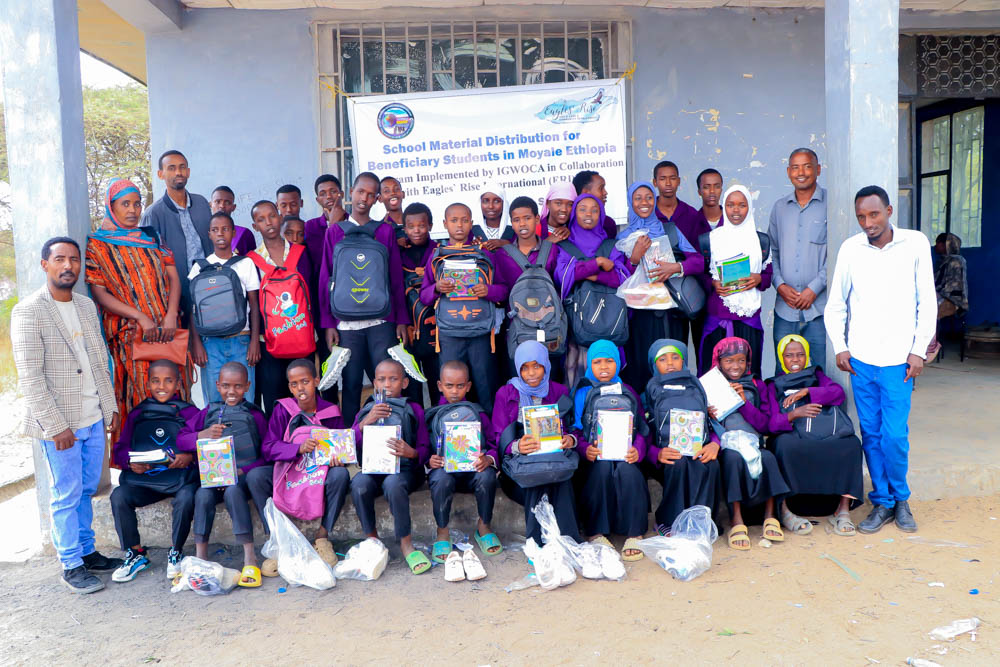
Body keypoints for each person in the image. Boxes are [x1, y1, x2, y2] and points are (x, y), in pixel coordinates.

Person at [12, 237, 122, 594]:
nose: (68, 266)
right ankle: (71, 563)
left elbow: (97, 361)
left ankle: (88, 552)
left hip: (92, 417)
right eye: (60, 259)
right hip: (61, 425)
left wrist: (111, 408)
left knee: (88, 488)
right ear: (45, 264)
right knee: (66, 494)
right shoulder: (29, 311)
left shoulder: (86, 306)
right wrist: (56, 426)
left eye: (74, 259)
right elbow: (30, 376)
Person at [825, 185, 936, 534]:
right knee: (870, 433)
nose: (868, 222)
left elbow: (927, 302)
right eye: (861, 216)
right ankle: (883, 502)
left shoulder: (915, 243)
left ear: (889, 211)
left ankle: (901, 498)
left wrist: (918, 350)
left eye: (874, 214)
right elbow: (836, 304)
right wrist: (840, 347)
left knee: (894, 436)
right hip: (861, 360)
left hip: (899, 362)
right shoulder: (850, 249)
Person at [86, 179, 187, 439]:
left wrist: (171, 314)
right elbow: (99, 292)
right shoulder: (98, 245)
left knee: (175, 393)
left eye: (137, 204)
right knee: (138, 398)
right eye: (125, 204)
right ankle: (139, 461)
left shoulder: (152, 237)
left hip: (167, 332)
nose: (133, 210)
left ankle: (178, 458)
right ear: (111, 207)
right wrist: (141, 317)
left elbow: (173, 278)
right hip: (131, 337)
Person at [318, 172, 409, 426]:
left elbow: (394, 278)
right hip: (347, 324)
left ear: (377, 199)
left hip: (381, 321)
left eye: (371, 194)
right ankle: (352, 442)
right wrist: (328, 324)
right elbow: (326, 278)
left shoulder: (385, 232)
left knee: (386, 380)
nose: (364, 198)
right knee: (351, 384)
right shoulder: (335, 231)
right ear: (350, 192)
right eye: (360, 192)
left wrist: (400, 319)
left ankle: (387, 435)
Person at [247, 358, 348, 568]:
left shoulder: (331, 412)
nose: (300, 388)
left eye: (305, 381)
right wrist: (297, 448)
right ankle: (278, 538)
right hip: (289, 469)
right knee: (255, 477)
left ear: (316, 381)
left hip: (317, 473)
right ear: (289, 387)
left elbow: (341, 446)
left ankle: (322, 537)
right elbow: (268, 447)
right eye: (294, 384)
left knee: (340, 476)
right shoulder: (283, 410)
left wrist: (338, 460)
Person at [109, 360, 200, 582]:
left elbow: (205, 447)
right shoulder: (138, 414)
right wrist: (130, 463)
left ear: (178, 383)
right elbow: (120, 450)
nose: (162, 386)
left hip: (180, 478)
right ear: (148, 383)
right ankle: (136, 553)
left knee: (188, 496)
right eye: (156, 381)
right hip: (146, 482)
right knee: (119, 495)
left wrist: (190, 457)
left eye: (168, 380)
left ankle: (176, 551)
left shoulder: (189, 412)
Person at [180, 362, 269, 587]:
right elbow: (181, 439)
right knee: (202, 495)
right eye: (226, 386)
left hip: (241, 481)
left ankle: (250, 556)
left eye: (238, 386)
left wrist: (243, 471)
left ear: (247, 386)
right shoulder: (208, 412)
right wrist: (203, 434)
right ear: (217, 385)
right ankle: (201, 558)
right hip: (212, 480)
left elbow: (267, 453)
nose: (232, 391)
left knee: (233, 492)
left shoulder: (254, 415)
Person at [766, 334, 864, 537]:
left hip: (823, 430)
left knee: (852, 444)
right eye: (789, 355)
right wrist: (794, 414)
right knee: (783, 446)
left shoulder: (816, 375)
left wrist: (807, 392)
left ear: (807, 356)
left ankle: (842, 510)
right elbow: (771, 423)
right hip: (792, 432)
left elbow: (838, 394)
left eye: (800, 355)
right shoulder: (773, 384)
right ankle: (786, 510)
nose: (795, 360)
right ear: (781, 358)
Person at [619, 180, 704, 392]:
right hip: (638, 315)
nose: (644, 203)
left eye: (649, 197)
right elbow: (617, 277)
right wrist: (635, 258)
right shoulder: (623, 237)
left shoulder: (670, 230)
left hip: (670, 313)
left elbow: (699, 261)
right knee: (640, 366)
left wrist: (675, 267)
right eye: (638, 198)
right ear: (630, 203)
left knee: (670, 363)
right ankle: (645, 414)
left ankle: (672, 407)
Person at [420, 202, 507, 404]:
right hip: (450, 335)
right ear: (445, 224)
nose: (459, 225)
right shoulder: (437, 257)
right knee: (452, 389)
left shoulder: (485, 255)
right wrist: (436, 288)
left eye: (465, 220)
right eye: (454, 220)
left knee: (486, 387)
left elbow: (504, 290)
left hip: (481, 332)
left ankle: (489, 433)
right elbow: (424, 296)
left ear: (471, 224)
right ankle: (450, 431)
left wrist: (489, 290)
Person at [493, 341, 580, 544]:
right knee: (535, 477)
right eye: (525, 368)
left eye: (536, 366)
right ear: (517, 369)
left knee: (561, 477)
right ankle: (537, 544)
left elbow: (571, 428)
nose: (531, 373)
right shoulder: (506, 394)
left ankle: (569, 542)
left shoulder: (558, 391)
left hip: (553, 460)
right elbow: (497, 435)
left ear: (546, 366)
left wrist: (568, 439)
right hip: (520, 467)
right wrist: (516, 446)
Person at [351, 359, 431, 575]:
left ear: (404, 383)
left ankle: (405, 542)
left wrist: (411, 452)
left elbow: (426, 448)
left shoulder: (414, 409)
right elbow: (350, 444)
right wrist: (367, 420)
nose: (387, 384)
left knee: (393, 483)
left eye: (393, 379)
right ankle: (373, 541)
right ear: (375, 383)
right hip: (374, 469)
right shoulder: (366, 409)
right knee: (359, 483)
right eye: (382, 379)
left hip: (406, 471)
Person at [709, 338, 789, 550]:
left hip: (753, 442)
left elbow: (765, 425)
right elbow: (702, 425)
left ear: (748, 362)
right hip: (726, 445)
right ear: (718, 362)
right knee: (733, 459)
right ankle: (736, 518)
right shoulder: (708, 385)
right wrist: (708, 415)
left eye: (741, 360)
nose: (735, 366)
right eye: (728, 361)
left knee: (768, 458)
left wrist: (744, 402)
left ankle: (771, 515)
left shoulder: (756, 385)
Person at [573, 340, 649, 561]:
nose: (604, 367)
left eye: (609, 361)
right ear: (589, 364)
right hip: (595, 457)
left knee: (629, 471)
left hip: (626, 453)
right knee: (601, 471)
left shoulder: (628, 391)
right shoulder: (582, 392)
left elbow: (644, 430)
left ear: (618, 363)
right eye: (597, 362)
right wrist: (585, 448)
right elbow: (573, 430)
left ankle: (635, 532)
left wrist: (638, 450)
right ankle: (596, 532)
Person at [425, 360, 502, 562]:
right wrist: (429, 460)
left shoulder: (478, 413)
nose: (454, 391)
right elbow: (423, 447)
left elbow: (495, 444)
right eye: (449, 386)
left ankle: (484, 525)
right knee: (440, 478)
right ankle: (442, 531)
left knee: (486, 476)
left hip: (473, 472)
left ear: (468, 386)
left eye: (460, 386)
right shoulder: (432, 416)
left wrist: (488, 458)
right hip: (445, 472)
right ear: (440, 386)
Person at [643, 339, 721, 535]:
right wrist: (656, 453)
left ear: (684, 361)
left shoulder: (697, 386)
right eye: (663, 359)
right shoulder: (649, 391)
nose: (670, 363)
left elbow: (710, 423)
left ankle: (702, 522)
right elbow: (642, 431)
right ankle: (668, 521)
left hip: (697, 448)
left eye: (675, 357)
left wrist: (714, 444)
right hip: (666, 454)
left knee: (710, 464)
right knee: (678, 463)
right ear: (654, 364)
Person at [555, 193, 631, 388]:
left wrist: (590, 275)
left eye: (594, 210)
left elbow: (622, 279)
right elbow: (562, 277)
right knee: (576, 378)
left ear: (601, 214)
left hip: (608, 322)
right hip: (576, 326)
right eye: (582, 209)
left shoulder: (610, 245)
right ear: (574, 214)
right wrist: (597, 263)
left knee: (608, 375)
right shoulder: (565, 245)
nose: (588, 214)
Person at [247, 200, 313, 416]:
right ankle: (279, 447)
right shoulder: (252, 261)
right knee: (275, 400)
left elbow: (312, 294)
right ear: (255, 226)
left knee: (306, 398)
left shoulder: (301, 253)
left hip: (302, 336)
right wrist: (254, 340)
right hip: (270, 342)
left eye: (272, 216)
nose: (269, 222)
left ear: (280, 216)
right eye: (261, 219)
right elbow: (252, 304)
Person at [188, 212, 261, 404]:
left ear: (234, 233)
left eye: (225, 229)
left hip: (242, 340)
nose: (220, 234)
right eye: (215, 230)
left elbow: (254, 304)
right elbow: (193, 309)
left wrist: (254, 341)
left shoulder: (245, 264)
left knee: (245, 400)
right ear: (209, 234)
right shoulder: (199, 267)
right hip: (210, 343)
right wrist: (196, 343)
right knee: (214, 399)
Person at [700, 185, 772, 377]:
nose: (736, 210)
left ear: (749, 208)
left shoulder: (761, 241)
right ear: (724, 206)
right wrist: (713, 283)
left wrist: (758, 278)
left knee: (749, 372)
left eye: (742, 205)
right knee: (713, 374)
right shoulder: (711, 239)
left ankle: (749, 407)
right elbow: (700, 275)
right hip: (718, 319)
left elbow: (768, 277)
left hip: (749, 320)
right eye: (731, 205)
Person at [768, 148, 829, 375]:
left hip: (819, 309)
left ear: (818, 169)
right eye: (795, 167)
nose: (801, 172)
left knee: (821, 372)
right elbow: (771, 252)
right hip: (785, 309)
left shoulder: (832, 205)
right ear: (788, 172)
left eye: (807, 166)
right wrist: (780, 285)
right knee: (783, 372)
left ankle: (821, 412)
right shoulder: (779, 208)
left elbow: (838, 255)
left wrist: (814, 289)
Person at [141, 150, 212, 310]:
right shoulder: (153, 214)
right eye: (171, 168)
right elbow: (149, 261)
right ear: (161, 174)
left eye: (182, 167)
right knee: (185, 334)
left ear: (188, 171)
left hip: (209, 285)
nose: (178, 172)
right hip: (176, 294)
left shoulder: (201, 203)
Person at [399, 202, 440, 405]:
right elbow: (395, 291)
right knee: (411, 385)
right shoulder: (397, 253)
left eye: (422, 225)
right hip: (407, 328)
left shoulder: (440, 252)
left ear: (430, 225)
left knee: (437, 382)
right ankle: (416, 432)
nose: (416, 230)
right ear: (404, 228)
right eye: (411, 226)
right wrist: (402, 322)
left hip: (436, 329)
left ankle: (436, 427)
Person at [210, 185, 256, 256]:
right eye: (217, 201)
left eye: (227, 202)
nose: (222, 206)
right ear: (210, 204)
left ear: (233, 207)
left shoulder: (245, 234)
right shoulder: (202, 234)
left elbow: (254, 263)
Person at [572, 170, 619, 237]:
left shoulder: (608, 224)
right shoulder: (566, 228)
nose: (605, 192)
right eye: (601, 188)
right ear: (585, 193)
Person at [473, 181, 515, 250]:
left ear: (504, 204)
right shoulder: (473, 231)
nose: (491, 206)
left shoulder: (513, 230)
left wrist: (505, 244)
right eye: (486, 201)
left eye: (496, 201)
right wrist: (473, 247)